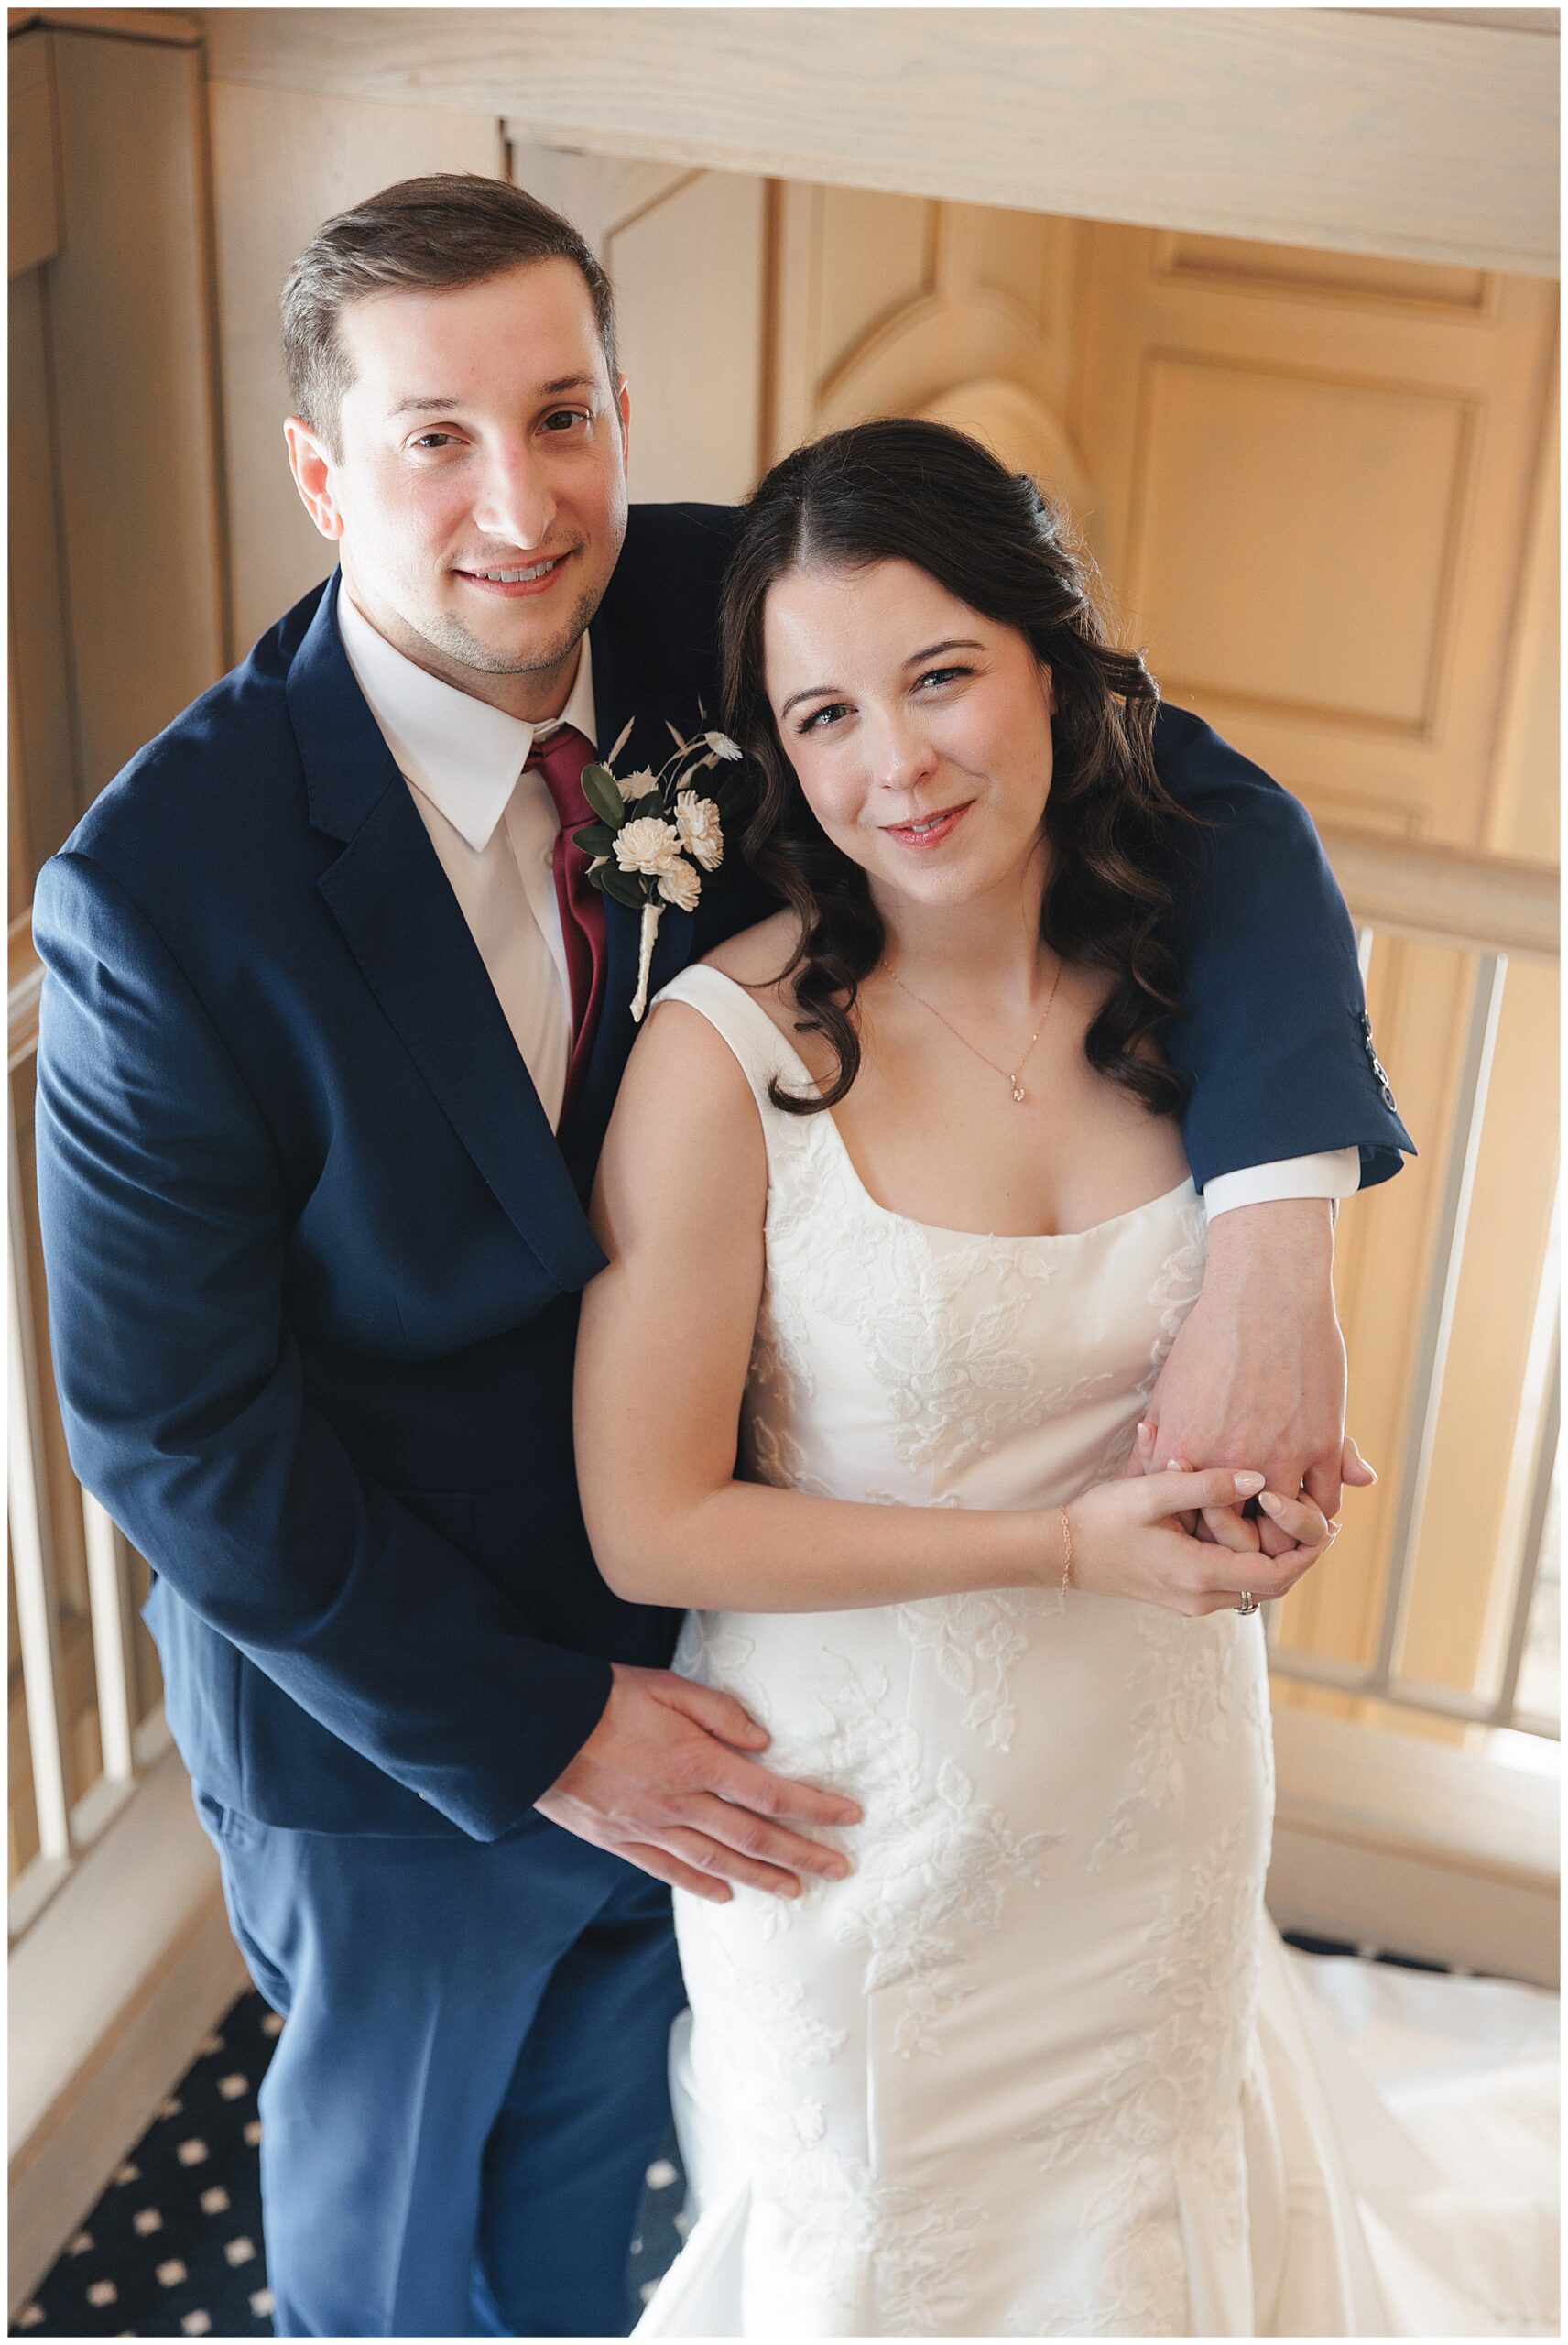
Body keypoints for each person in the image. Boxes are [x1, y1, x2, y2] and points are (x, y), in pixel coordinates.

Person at [33, 173, 1408, 2338]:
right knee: (388, 2237)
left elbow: (1191, 795)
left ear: (619, 407)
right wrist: (541, 1728)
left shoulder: (724, 608)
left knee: (608, 2175)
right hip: (413, 1715)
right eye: (435, 437)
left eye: (561, 413)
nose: (521, 498)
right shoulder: (161, 892)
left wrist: (1272, 1230)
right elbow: (170, 1422)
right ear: (318, 471)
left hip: (756, 1657)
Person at [575, 419, 1556, 2337]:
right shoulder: (724, 1061)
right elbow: (653, 1513)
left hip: (1159, 1795)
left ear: (1052, 656)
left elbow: (1214, 1354)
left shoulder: (1211, 1000)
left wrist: (1244, 1493)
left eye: (939, 674)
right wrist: (1062, 1548)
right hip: (861, 1849)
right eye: (825, 714)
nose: (895, 763)